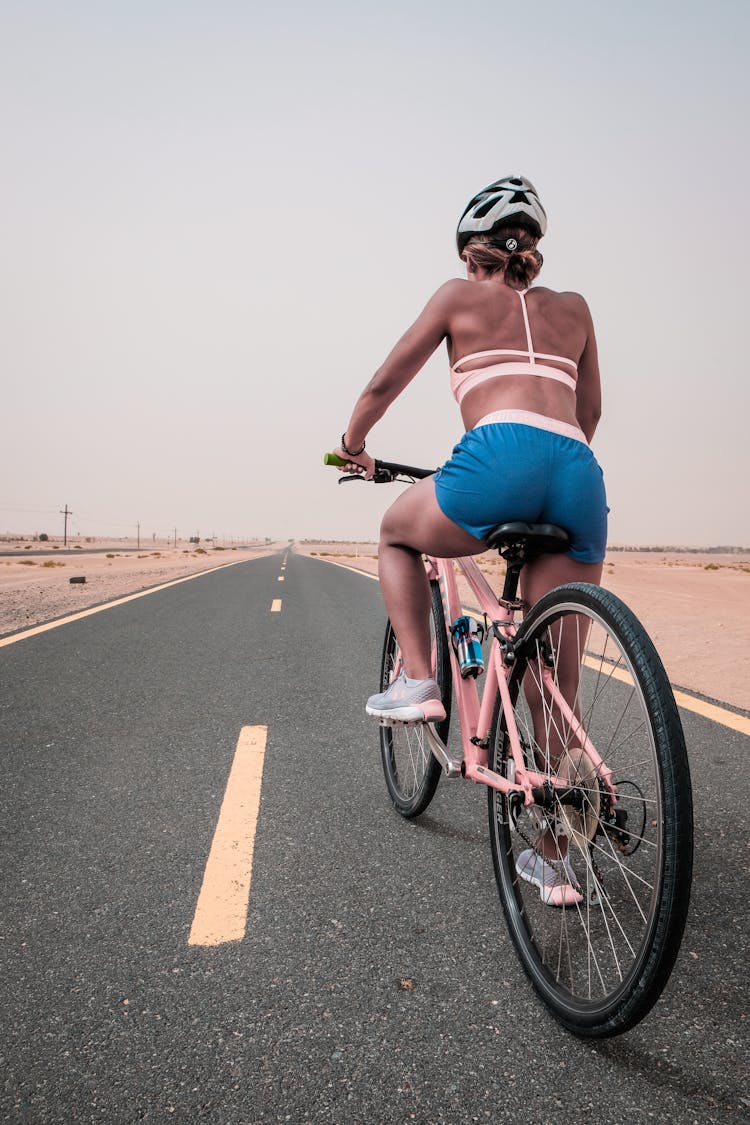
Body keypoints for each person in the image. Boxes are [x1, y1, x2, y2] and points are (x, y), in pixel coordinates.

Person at [334, 175, 608, 904]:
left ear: (470, 250)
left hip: (497, 458)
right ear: (531, 251)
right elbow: (589, 410)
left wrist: (354, 441)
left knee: (396, 528)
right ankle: (557, 861)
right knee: (559, 683)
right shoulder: (574, 308)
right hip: (579, 473)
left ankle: (419, 677)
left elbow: (388, 377)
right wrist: (552, 467)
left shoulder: (457, 296)